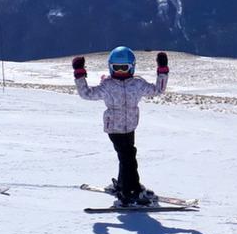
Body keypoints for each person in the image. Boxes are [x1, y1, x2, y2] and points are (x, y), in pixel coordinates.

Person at [72, 47, 169, 207]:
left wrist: (162, 70)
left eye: (125, 68)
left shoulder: (137, 84)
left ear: (132, 67)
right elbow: (86, 94)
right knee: (129, 158)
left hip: (130, 126)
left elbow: (158, 90)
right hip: (114, 129)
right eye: (117, 68)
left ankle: (123, 184)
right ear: (111, 67)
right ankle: (131, 192)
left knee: (126, 157)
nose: (121, 71)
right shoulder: (108, 85)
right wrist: (79, 73)